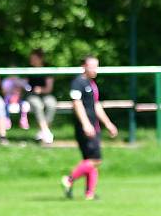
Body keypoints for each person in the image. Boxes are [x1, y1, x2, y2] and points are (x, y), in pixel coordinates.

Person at [60, 56, 118, 200]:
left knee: (91, 161)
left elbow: (96, 105)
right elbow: (77, 104)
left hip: (94, 126)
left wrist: (108, 123)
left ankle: (89, 194)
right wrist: (86, 124)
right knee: (95, 159)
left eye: (96, 66)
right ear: (84, 66)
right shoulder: (78, 82)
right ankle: (69, 179)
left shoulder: (92, 84)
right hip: (85, 127)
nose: (95, 70)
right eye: (92, 66)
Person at [26, 49, 57, 144]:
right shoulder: (28, 70)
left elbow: (49, 88)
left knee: (51, 104)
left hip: (45, 94)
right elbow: (25, 85)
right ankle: (46, 132)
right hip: (31, 95)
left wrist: (41, 90)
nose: (32, 60)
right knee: (37, 105)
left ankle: (42, 132)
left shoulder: (47, 69)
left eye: (34, 58)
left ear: (40, 59)